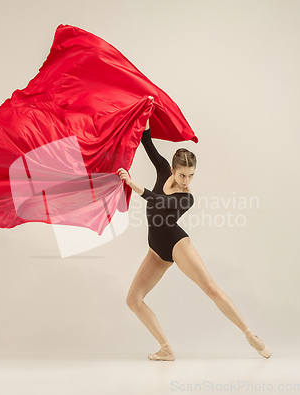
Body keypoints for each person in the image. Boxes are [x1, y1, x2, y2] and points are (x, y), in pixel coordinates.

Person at [117, 111, 272, 361]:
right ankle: (166, 348)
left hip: (178, 244)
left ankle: (249, 333)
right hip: (156, 251)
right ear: (173, 169)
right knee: (133, 300)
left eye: (191, 176)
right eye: (182, 175)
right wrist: (145, 111)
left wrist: (135, 186)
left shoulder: (186, 198)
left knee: (211, 289)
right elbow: (147, 142)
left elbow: (161, 203)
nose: (187, 181)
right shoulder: (162, 170)